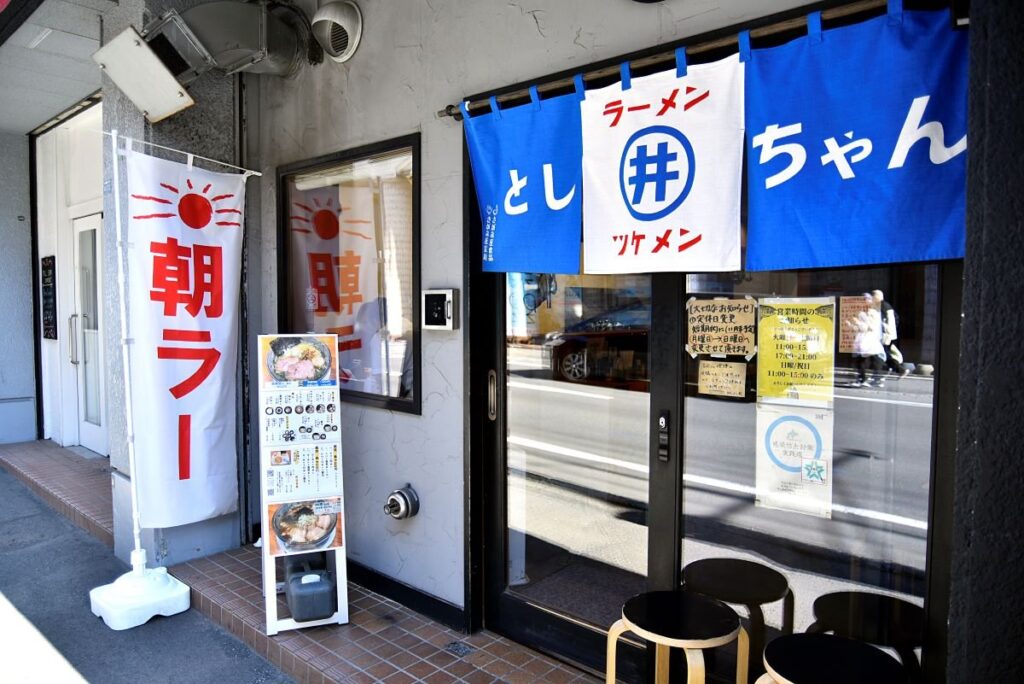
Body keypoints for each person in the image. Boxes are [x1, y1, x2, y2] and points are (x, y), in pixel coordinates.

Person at [847, 293, 885, 387]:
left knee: (868, 359)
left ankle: (869, 378)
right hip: (863, 339)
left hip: (869, 339)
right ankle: (869, 378)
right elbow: (860, 328)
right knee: (865, 359)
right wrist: (851, 326)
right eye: (863, 300)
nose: (864, 302)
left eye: (866, 300)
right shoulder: (861, 312)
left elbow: (871, 327)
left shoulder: (872, 312)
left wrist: (858, 324)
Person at [871, 289, 909, 377]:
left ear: (876, 297)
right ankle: (890, 368)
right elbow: (896, 318)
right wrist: (893, 329)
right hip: (891, 334)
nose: (872, 298)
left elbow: (881, 321)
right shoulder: (888, 305)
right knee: (885, 352)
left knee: (883, 353)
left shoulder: (880, 306)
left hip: (885, 335)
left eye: (873, 296)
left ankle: (899, 369)